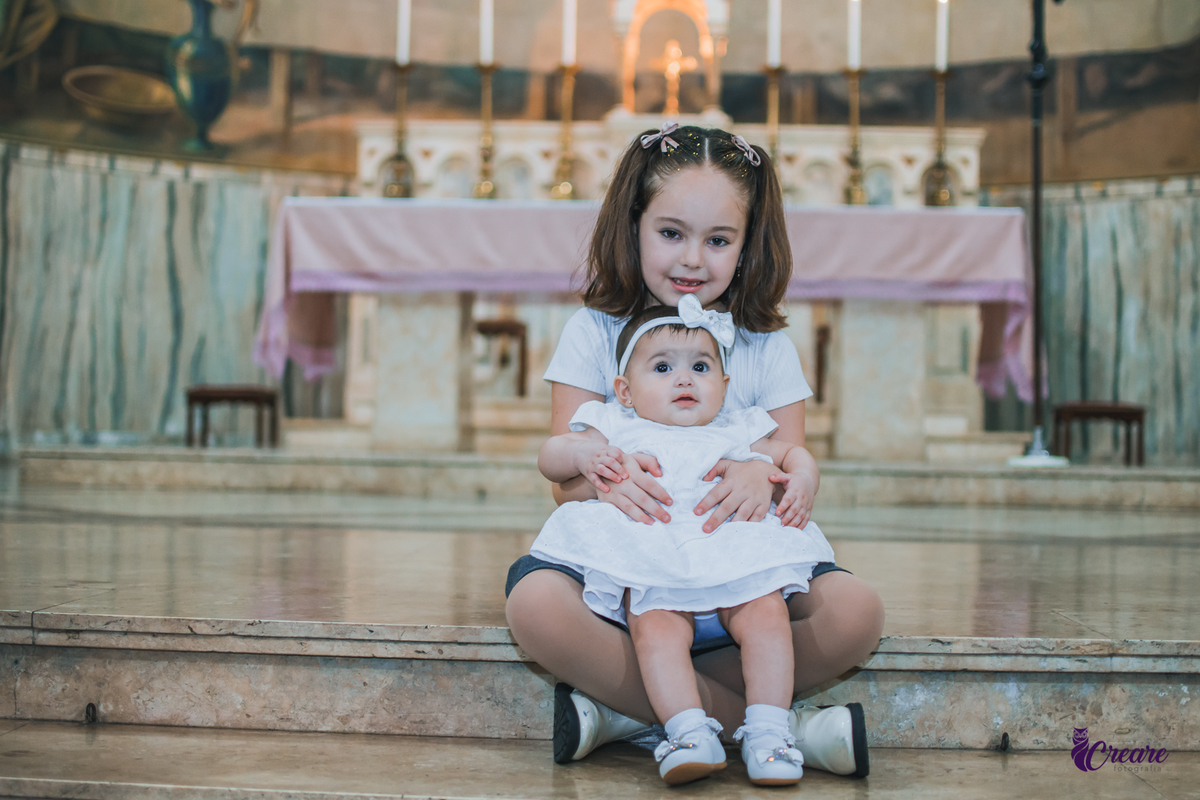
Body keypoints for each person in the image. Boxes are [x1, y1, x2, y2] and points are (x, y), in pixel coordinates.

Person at [504, 122, 884, 779]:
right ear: (634, 224)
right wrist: (608, 478)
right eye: (671, 233)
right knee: (535, 605)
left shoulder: (765, 345)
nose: (692, 260)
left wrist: (760, 474)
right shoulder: (594, 331)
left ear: (748, 241)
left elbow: (788, 466)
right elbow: (566, 477)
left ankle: (635, 712)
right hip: (633, 578)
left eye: (718, 240)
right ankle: (779, 726)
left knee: (857, 615)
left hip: (744, 576)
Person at [531, 297, 837, 785]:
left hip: (733, 559)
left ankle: (769, 732)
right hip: (655, 562)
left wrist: (804, 479)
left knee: (766, 616)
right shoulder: (614, 424)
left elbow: (793, 453)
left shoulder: (738, 429)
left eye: (700, 366)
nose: (684, 379)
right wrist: (584, 457)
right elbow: (551, 457)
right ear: (624, 392)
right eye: (662, 367)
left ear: (725, 386)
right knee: (656, 628)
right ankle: (687, 731)